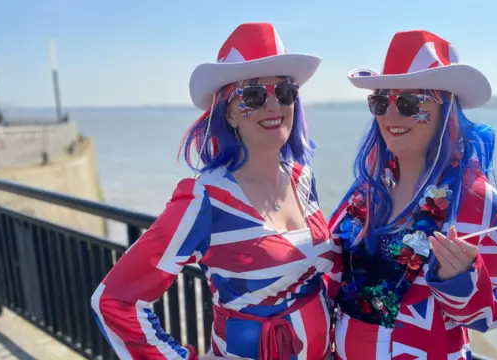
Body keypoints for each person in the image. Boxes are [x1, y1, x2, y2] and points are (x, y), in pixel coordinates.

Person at [91, 22, 342, 360]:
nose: (273, 106)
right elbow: (114, 301)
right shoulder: (206, 200)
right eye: (253, 96)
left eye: (284, 92)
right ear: (229, 113)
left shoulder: (302, 179)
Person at [328, 30, 497, 359]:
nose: (391, 116)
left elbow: (491, 316)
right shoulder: (367, 190)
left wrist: (460, 279)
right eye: (381, 102)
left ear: (446, 109)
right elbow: (332, 276)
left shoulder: (476, 200)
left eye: (409, 103)